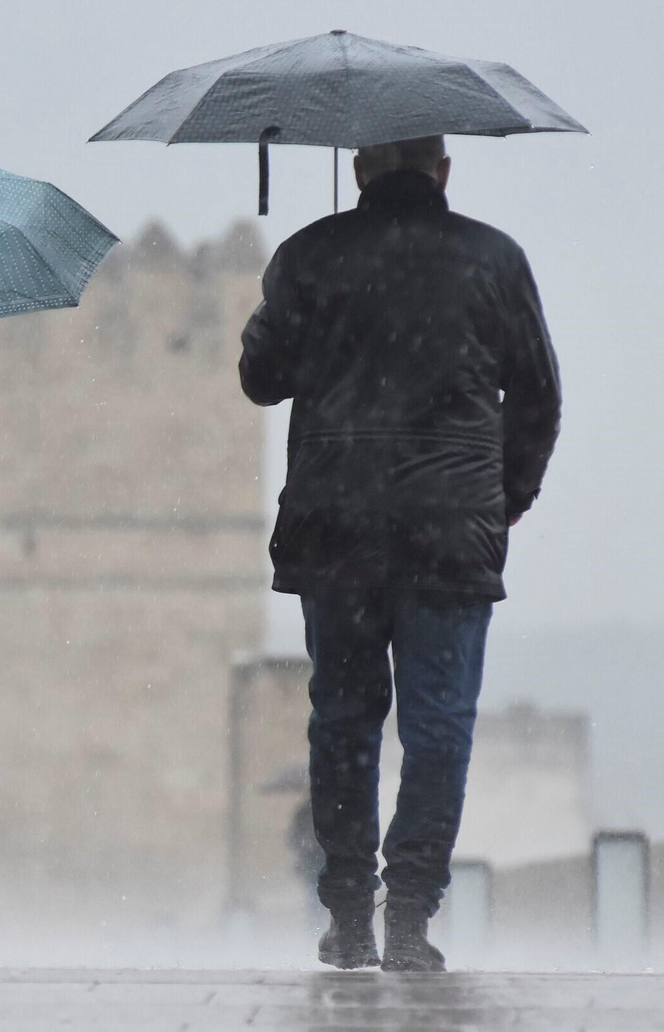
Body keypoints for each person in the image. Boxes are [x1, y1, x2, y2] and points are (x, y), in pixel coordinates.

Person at [238, 136, 561, 972]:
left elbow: (261, 378)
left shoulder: (309, 255)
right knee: (437, 724)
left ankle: (348, 911)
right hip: (448, 530)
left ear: (358, 171)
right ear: (443, 171)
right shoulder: (494, 259)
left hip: (337, 525)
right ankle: (411, 916)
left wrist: (272, 309)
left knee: (344, 720)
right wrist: (503, 500)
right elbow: (539, 395)